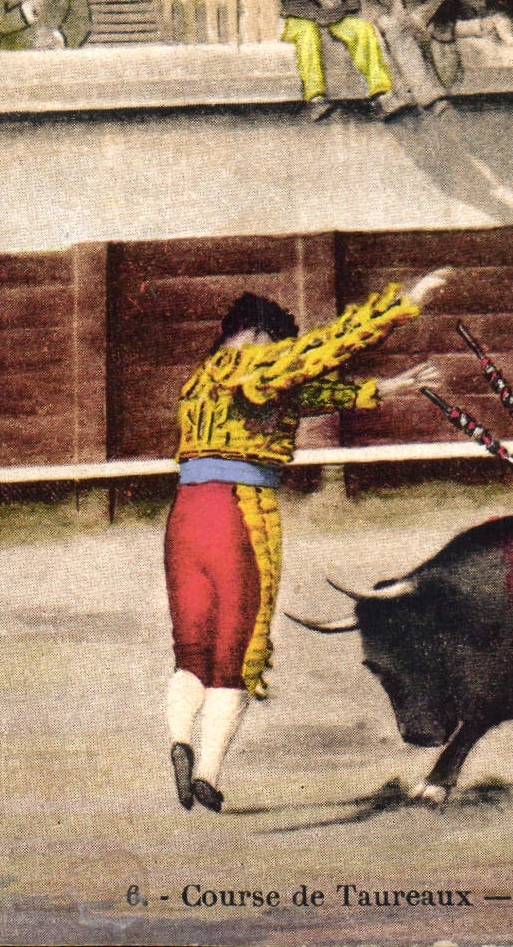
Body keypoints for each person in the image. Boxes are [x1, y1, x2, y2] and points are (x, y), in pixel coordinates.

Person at [165, 269, 451, 813]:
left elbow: (305, 393)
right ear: (255, 337)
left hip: (185, 515)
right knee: (238, 650)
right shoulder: (257, 364)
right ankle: (206, 771)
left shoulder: (203, 379)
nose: (285, 354)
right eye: (279, 344)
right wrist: (403, 304)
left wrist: (382, 389)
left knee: (191, 645)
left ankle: (179, 738)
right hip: (237, 514)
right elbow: (322, 350)